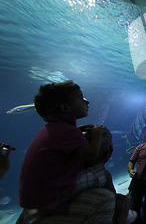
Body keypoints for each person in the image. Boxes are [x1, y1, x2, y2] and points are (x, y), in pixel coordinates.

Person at [17, 81, 116, 223]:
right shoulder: (67, 131)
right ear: (65, 107)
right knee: (103, 176)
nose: (86, 101)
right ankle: (116, 212)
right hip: (47, 196)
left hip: (33, 197)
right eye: (81, 98)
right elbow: (92, 155)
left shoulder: (53, 128)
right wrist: (98, 133)